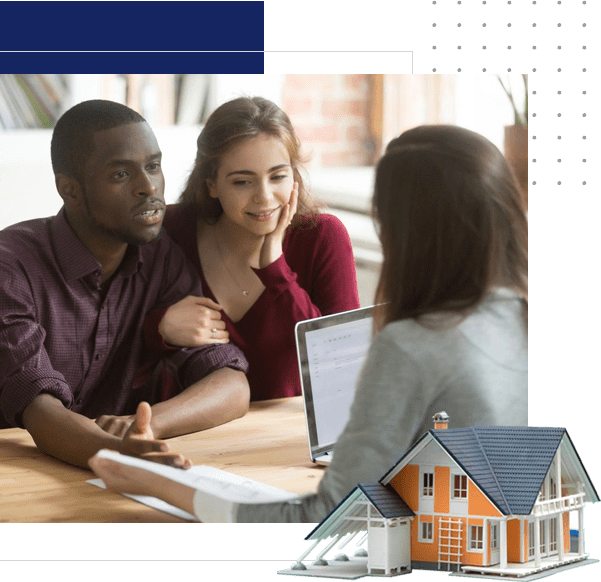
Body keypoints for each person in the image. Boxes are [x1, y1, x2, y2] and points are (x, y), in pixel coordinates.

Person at [90, 124, 529, 522]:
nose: (263, 196)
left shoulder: (411, 342)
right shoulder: (516, 316)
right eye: (242, 180)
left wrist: (159, 486)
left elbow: (327, 518)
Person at [0, 99, 250, 469]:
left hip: (93, 475)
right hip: (7, 474)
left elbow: (231, 385)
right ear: (71, 190)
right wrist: (120, 455)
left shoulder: (161, 258)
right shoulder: (2, 266)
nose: (148, 187)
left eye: (153, 166)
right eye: (121, 175)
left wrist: (142, 427)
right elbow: (38, 409)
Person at [155, 97, 360, 401]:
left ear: (294, 175)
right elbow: (112, 335)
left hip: (288, 439)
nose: (264, 197)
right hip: (190, 434)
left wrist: (276, 268)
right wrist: (159, 325)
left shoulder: (323, 237)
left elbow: (342, 368)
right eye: (242, 182)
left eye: (278, 176)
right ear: (211, 184)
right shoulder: (171, 230)